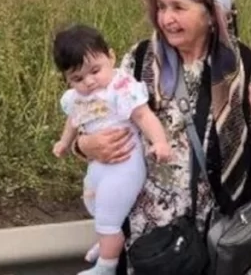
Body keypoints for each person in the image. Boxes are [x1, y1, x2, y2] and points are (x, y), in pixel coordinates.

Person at [69, 0, 251, 275]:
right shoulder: (138, 61)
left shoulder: (241, 65)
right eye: (161, 7)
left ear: (212, 13)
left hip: (219, 239)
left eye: (179, 7)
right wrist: (84, 145)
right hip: (151, 246)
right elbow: (92, 116)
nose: (166, 18)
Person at [51, 23, 173, 275]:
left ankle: (106, 265)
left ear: (112, 57)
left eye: (95, 70)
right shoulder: (77, 97)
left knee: (109, 211)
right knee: (92, 199)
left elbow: (143, 116)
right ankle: (107, 241)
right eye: (77, 78)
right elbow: (74, 120)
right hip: (98, 165)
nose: (89, 81)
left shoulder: (121, 88)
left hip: (124, 164)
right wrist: (65, 143)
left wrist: (159, 142)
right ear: (67, 79)